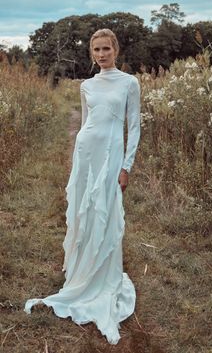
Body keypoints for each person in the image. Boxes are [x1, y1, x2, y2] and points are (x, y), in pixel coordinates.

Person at [24, 28, 141, 345]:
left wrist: (126, 166)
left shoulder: (130, 83)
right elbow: (87, 122)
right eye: (96, 50)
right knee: (84, 211)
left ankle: (102, 275)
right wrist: (78, 158)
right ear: (92, 53)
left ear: (115, 49)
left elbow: (134, 126)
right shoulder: (87, 85)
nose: (101, 54)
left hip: (111, 156)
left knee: (106, 211)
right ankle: (82, 272)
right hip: (86, 154)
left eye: (106, 49)